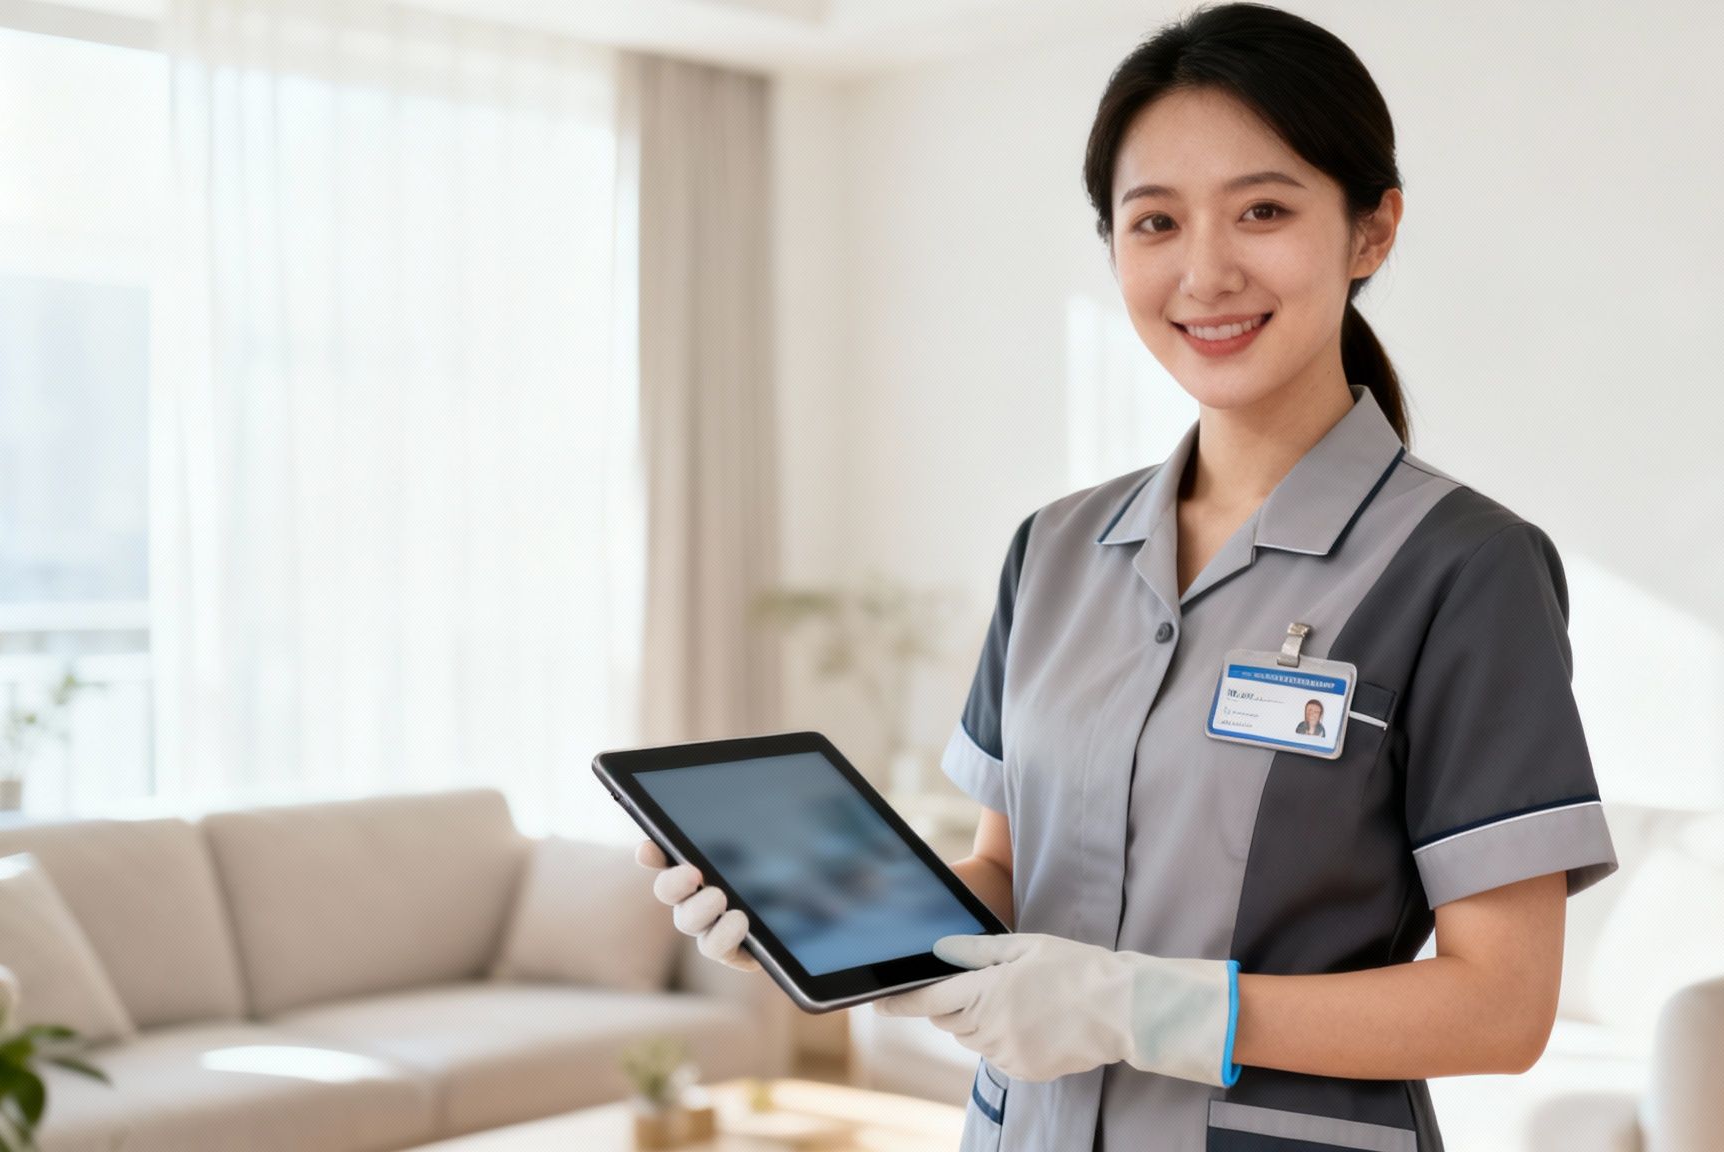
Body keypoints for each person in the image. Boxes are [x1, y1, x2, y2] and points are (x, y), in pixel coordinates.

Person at [637, 5, 1619, 1149]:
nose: (1205, 271)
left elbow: (1499, 1007)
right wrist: (820, 924)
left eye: (1261, 210)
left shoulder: (1463, 568)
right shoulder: (1052, 550)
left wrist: (1135, 1008)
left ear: (1370, 231)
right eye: (1154, 221)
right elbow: (1007, 873)